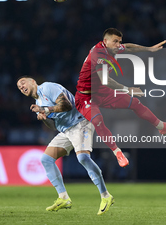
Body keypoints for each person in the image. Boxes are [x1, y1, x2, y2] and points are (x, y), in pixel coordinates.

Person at [75, 28, 166, 167]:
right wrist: (127, 89)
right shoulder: (98, 53)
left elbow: (128, 47)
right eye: (115, 42)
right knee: (98, 120)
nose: (118, 45)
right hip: (85, 96)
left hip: (101, 92)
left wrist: (149, 49)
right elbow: (105, 80)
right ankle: (118, 153)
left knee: (135, 103)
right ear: (105, 41)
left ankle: (161, 126)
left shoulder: (112, 48)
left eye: (119, 41)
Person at [17, 76, 114, 215]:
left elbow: (67, 105)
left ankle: (105, 196)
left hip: (80, 123)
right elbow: (53, 125)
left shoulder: (47, 87)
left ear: (33, 81)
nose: (21, 87)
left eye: (23, 83)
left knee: (83, 158)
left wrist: (46, 110)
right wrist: (44, 117)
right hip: (66, 131)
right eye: (19, 87)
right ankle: (63, 198)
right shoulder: (38, 102)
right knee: (46, 159)